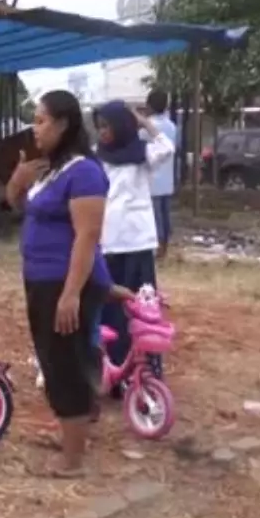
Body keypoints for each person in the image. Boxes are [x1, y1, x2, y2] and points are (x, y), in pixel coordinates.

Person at [5, 89, 109, 478]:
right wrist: (16, 183)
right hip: (40, 278)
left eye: (41, 120)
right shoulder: (50, 168)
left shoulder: (84, 171)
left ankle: (74, 460)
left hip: (65, 282)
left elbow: (87, 236)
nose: (35, 128)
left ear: (64, 124)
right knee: (52, 360)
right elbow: (20, 209)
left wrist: (71, 293)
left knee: (65, 363)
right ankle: (69, 437)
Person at [94, 100, 174, 379]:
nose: (103, 132)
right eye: (99, 127)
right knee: (111, 308)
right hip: (108, 241)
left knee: (142, 308)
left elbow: (168, 148)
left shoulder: (141, 154)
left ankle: (145, 371)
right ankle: (114, 370)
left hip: (138, 243)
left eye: (107, 126)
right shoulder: (97, 157)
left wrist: (145, 123)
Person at [141, 89, 178, 259]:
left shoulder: (146, 127)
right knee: (165, 214)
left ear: (149, 105)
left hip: (151, 180)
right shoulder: (172, 126)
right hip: (167, 178)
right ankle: (165, 246)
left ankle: (159, 250)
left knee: (155, 217)